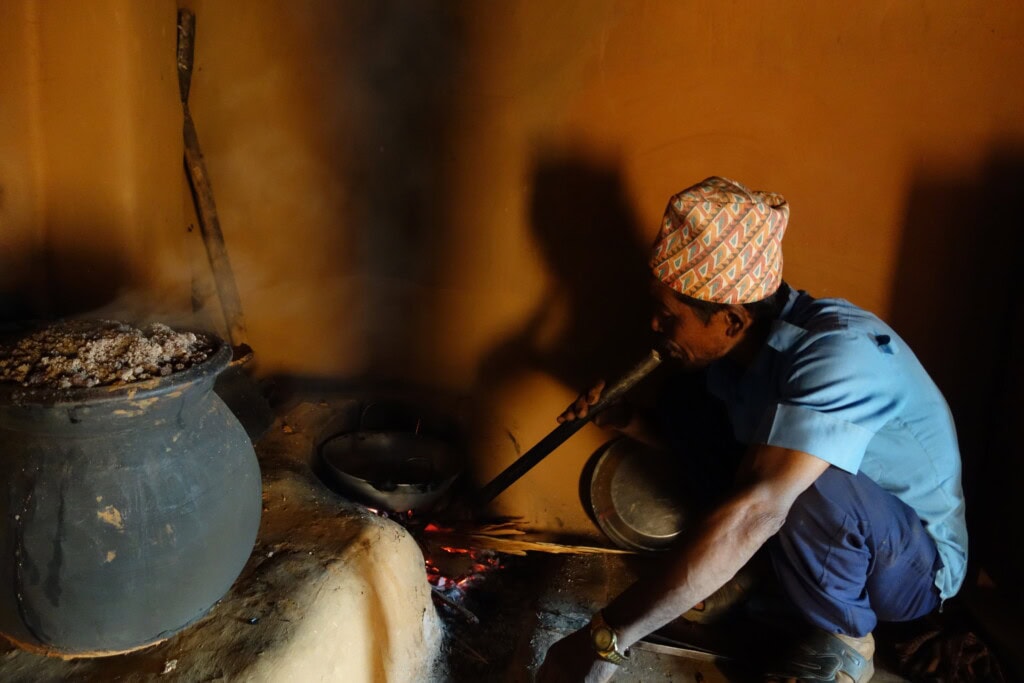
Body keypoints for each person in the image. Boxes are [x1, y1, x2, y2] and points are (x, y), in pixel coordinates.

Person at [535, 177, 968, 683]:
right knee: (690, 401)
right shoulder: (734, 361)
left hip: (908, 570)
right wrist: (624, 419)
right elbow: (706, 452)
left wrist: (605, 639)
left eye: (667, 315)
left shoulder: (840, 355)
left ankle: (845, 644)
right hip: (833, 539)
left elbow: (758, 511)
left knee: (802, 476)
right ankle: (760, 580)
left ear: (733, 321)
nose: (653, 326)